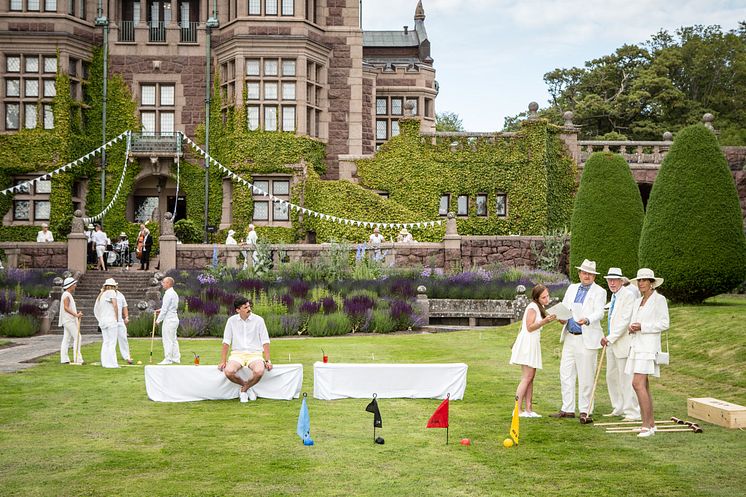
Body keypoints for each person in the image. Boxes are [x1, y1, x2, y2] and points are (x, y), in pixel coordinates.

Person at [551, 259, 607, 424]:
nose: (586, 275)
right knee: (565, 373)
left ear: (594, 276)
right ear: (579, 273)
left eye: (590, 273)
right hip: (570, 336)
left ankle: (585, 410)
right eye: (584, 272)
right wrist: (562, 318)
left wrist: (587, 319)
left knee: (586, 376)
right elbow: (566, 309)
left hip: (586, 338)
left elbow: (599, 313)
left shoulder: (600, 292)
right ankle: (567, 408)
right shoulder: (572, 288)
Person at [625, 268, 669, 438]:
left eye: (645, 280)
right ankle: (651, 424)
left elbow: (665, 323)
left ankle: (645, 426)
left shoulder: (660, 300)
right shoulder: (638, 301)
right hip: (636, 347)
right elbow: (634, 322)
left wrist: (643, 327)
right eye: (639, 280)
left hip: (649, 348)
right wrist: (632, 328)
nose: (641, 283)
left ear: (652, 283)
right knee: (643, 385)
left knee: (637, 384)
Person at [509, 284, 556, 417]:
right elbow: (529, 327)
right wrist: (545, 321)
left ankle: (528, 410)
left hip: (533, 343)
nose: (547, 299)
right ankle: (517, 410)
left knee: (530, 378)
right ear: (537, 298)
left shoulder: (539, 307)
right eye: (544, 297)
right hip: (528, 343)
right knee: (526, 377)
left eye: (547, 296)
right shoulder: (532, 307)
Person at [600, 268, 640, 421]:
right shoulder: (614, 296)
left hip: (622, 343)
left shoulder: (628, 296)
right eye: (609, 280)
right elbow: (612, 319)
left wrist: (610, 337)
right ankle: (618, 407)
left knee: (626, 378)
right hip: (611, 343)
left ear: (621, 281)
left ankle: (632, 411)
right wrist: (608, 337)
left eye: (615, 280)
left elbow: (624, 321)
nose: (611, 283)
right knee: (611, 376)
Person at [218, 296, 273, 403]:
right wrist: (223, 361)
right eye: (245, 307)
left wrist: (268, 360)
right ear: (238, 310)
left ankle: (243, 390)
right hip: (237, 355)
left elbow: (265, 341)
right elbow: (226, 342)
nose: (249, 309)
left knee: (259, 371)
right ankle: (247, 387)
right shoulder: (231, 321)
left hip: (255, 354)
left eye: (249, 306)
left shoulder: (259, 320)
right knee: (228, 372)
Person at [93, 278, 119, 368]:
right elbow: (115, 305)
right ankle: (113, 363)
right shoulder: (111, 292)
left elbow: (97, 309)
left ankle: (105, 362)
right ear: (113, 286)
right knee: (112, 342)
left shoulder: (101, 294)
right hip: (111, 320)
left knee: (106, 342)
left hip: (103, 321)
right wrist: (116, 318)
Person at [155, 276, 180, 364]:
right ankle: (176, 358)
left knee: (167, 339)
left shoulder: (168, 294)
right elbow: (169, 307)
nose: (162, 284)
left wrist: (158, 320)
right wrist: (160, 310)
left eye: (164, 282)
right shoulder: (173, 293)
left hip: (169, 319)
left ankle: (168, 359)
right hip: (174, 318)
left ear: (168, 283)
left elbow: (165, 309)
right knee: (173, 339)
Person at [59, 277, 83, 364]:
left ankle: (64, 359)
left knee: (66, 339)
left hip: (68, 320)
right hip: (68, 320)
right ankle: (77, 358)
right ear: (70, 286)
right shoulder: (66, 295)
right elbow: (66, 308)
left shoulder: (67, 294)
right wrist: (76, 315)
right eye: (74, 284)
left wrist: (76, 314)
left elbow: (68, 307)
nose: (75, 286)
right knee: (78, 337)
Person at [112, 281, 134, 365]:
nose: (114, 287)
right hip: (110, 320)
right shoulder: (106, 294)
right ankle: (110, 356)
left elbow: (125, 307)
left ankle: (126, 356)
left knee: (123, 338)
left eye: (115, 285)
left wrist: (126, 317)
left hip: (120, 320)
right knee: (111, 340)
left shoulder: (120, 295)